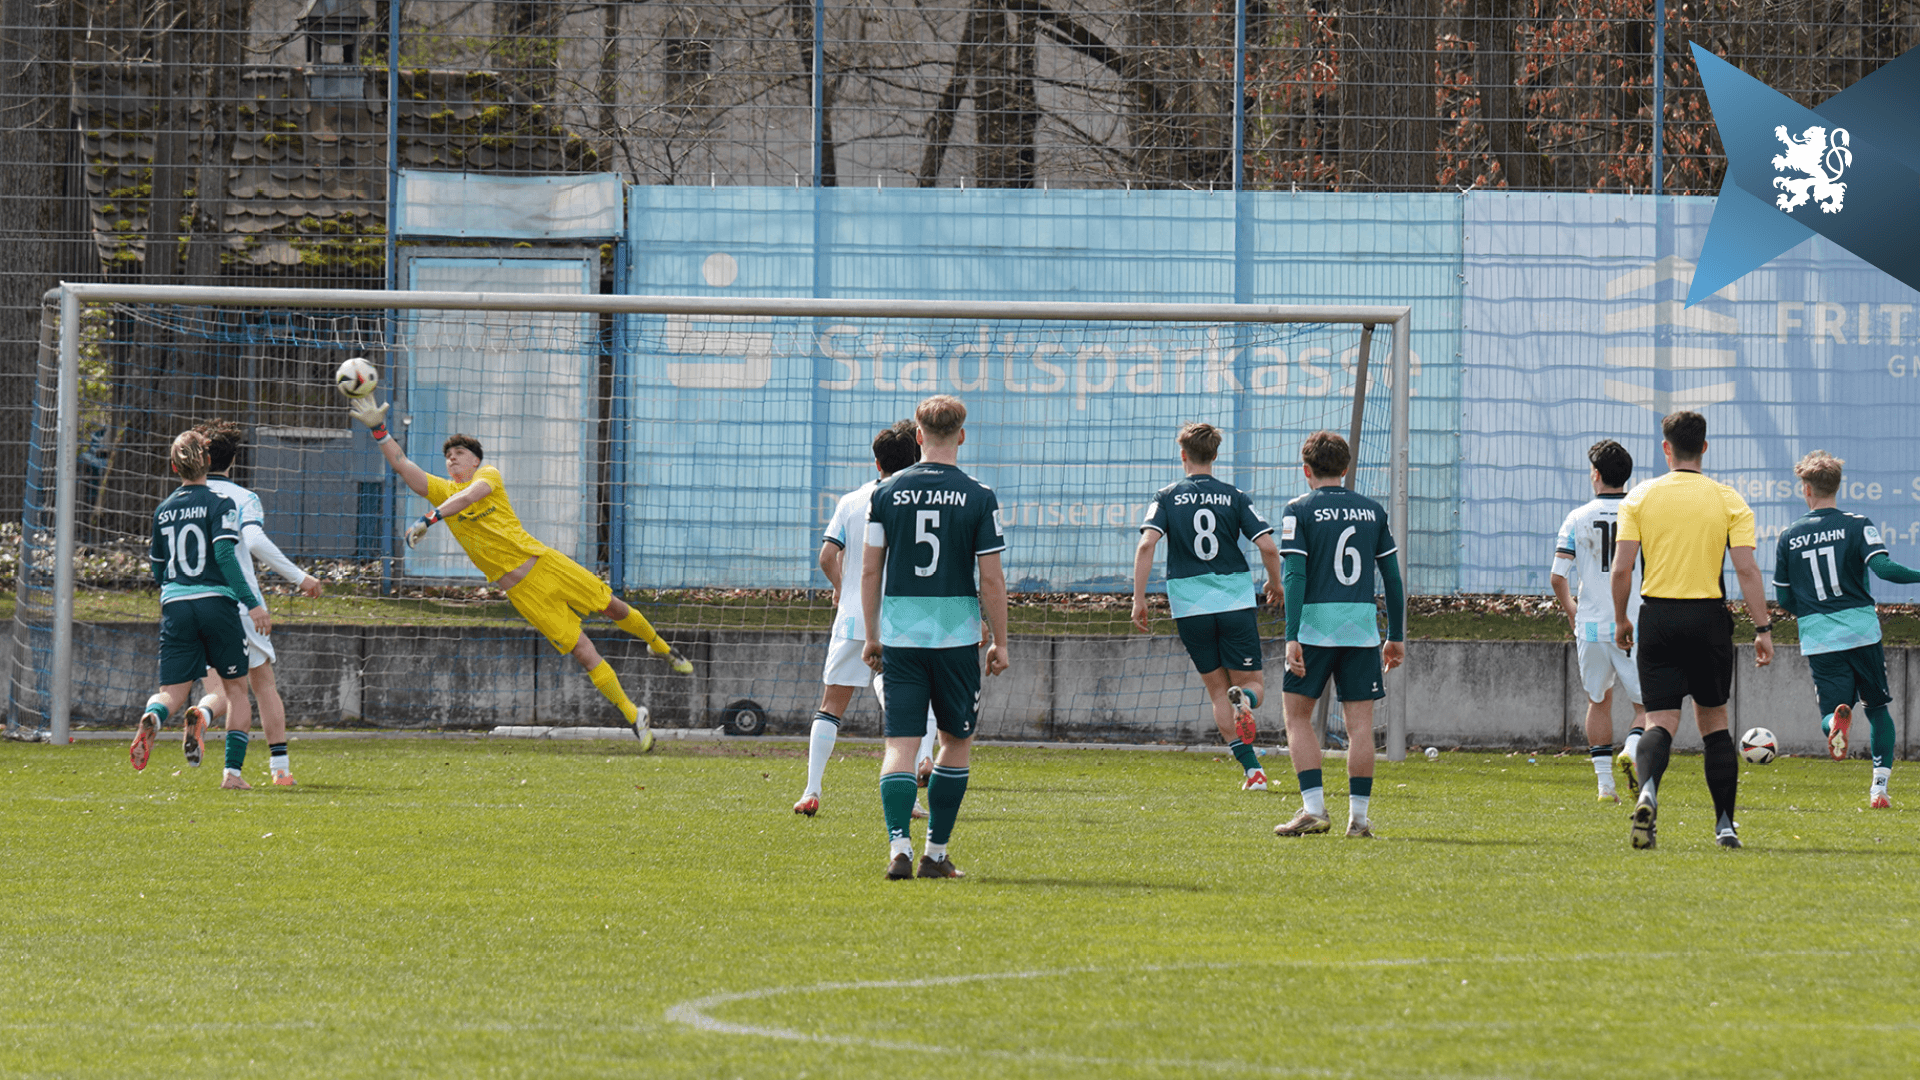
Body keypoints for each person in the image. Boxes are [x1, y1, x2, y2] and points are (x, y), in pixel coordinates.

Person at [347, 393, 691, 748]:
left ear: (476, 460)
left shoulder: (488, 476)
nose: (451, 460)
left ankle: (661, 646)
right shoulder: (442, 492)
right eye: (447, 457)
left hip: (547, 565)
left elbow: (467, 498)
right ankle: (634, 716)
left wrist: (428, 519)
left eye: (459, 454)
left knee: (612, 607)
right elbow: (403, 464)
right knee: (584, 652)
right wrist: (379, 430)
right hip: (524, 593)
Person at [861, 395, 1008, 880]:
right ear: (961, 436)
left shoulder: (885, 493)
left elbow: (868, 570)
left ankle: (898, 846)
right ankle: (936, 854)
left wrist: (871, 635)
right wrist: (1000, 641)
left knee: (900, 747)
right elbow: (991, 579)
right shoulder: (979, 495)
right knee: (955, 741)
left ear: (918, 436)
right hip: (957, 639)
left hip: (901, 636)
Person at [1612, 410, 1772, 850]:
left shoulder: (1640, 497)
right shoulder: (1727, 499)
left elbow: (1622, 568)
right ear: (1704, 447)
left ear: (1667, 448)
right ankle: (1724, 825)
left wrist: (1622, 619)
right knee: (1714, 723)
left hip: (1658, 617)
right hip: (1708, 620)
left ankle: (1647, 791)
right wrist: (1763, 628)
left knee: (1659, 721)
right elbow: (1746, 568)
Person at [795, 420, 937, 819]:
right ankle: (916, 776)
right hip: (901, 617)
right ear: (916, 459)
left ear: (876, 462)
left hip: (853, 619)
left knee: (831, 706)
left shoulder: (852, 500)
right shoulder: (917, 503)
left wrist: (841, 587)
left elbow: (826, 556)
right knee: (908, 703)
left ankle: (811, 790)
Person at [1131, 422, 1283, 791]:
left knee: (1217, 691)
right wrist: (1275, 583)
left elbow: (1147, 545)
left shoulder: (1166, 496)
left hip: (1189, 604)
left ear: (1183, 455)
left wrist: (1139, 598)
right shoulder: (1235, 495)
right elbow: (1267, 547)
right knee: (1252, 685)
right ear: (1215, 455)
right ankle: (1245, 700)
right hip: (1233, 600)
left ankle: (1253, 773)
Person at [1271, 432, 1406, 839]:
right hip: (1362, 631)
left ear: (1307, 470)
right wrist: (1395, 634)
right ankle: (1359, 820)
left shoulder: (1298, 510)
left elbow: (1294, 575)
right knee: (1360, 728)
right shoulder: (1372, 511)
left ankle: (1314, 810)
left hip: (1313, 629)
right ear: (1346, 469)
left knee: (1297, 717)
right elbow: (1393, 579)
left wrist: (1291, 634)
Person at [177, 421, 323, 787]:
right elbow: (254, 541)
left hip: (190, 603)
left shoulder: (184, 498)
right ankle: (279, 769)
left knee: (224, 690)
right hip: (238, 603)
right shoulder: (242, 498)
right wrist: (300, 577)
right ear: (234, 461)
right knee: (262, 685)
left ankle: (204, 715)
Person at [1773, 451, 1920, 809]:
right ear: (1838, 485)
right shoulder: (1857, 524)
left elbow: (1783, 598)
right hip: (1861, 631)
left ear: (1806, 489)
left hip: (1819, 634)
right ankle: (1879, 789)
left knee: (1831, 709)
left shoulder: (1789, 536)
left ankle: (1835, 723)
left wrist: (1810, 612)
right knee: (1878, 708)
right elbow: (1884, 568)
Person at [133, 430, 269, 789]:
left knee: (172, 693)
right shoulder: (220, 503)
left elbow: (158, 569)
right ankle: (232, 775)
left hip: (175, 605)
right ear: (208, 461)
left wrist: (174, 590)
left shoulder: (163, 511)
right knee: (237, 691)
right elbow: (225, 556)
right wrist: (254, 604)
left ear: (174, 466)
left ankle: (153, 716)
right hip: (215, 605)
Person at [1549, 439, 1648, 803]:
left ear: (1595, 474)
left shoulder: (1578, 517)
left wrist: (1574, 611)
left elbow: (1558, 576)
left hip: (1590, 625)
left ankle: (1605, 785)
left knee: (1598, 700)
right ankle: (1633, 748)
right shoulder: (1641, 513)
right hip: (1633, 624)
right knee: (1648, 708)